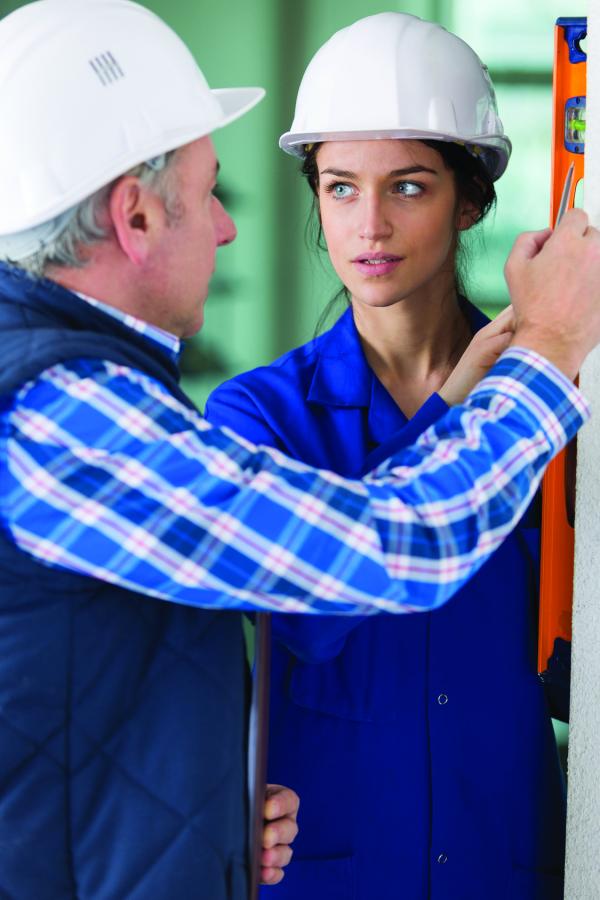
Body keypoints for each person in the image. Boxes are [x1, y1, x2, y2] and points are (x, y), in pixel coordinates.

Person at [0, 3, 597, 899]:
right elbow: (373, 566)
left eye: (408, 184)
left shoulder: (91, 402)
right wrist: (541, 357)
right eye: (208, 195)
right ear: (133, 216)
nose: (229, 229)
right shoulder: (78, 413)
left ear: (468, 198)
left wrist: (204, 802)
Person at [205, 14, 572, 900]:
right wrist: (456, 410)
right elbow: (309, 617)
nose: (368, 224)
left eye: (408, 187)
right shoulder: (260, 416)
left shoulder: (558, 412)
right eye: (339, 188)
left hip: (506, 865)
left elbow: (572, 675)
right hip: (332, 873)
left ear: (472, 199)